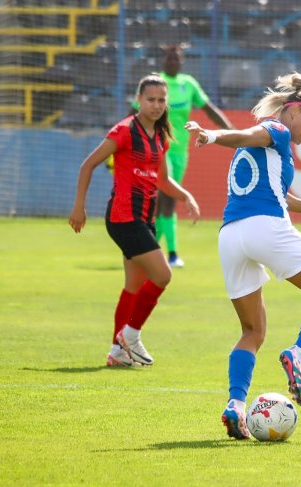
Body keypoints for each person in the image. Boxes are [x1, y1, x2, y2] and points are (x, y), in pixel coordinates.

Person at [185, 72, 301, 440]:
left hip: (231, 236)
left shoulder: (272, 146)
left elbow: (277, 192)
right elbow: (246, 135)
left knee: (252, 331)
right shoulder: (276, 130)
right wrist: (212, 136)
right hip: (264, 228)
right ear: (295, 111)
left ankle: (236, 406)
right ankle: (299, 354)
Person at [69, 74, 200, 368]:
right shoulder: (124, 131)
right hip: (123, 217)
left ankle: (117, 352)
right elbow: (88, 164)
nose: (156, 105)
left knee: (133, 286)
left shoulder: (161, 137)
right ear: (138, 100)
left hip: (143, 218)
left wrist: (186, 196)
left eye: (161, 100)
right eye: (150, 100)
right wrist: (79, 207)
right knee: (163, 275)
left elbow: (163, 180)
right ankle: (131, 335)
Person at [120, 45, 233, 268]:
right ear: (163, 60)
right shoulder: (155, 84)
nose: (173, 62)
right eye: (169, 58)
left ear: (182, 61)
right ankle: (170, 254)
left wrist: (231, 132)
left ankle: (147, 250)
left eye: (177, 59)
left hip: (181, 152)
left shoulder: (188, 84)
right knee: (166, 199)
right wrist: (120, 144)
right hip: (157, 149)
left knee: (164, 203)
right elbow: (132, 114)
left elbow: (209, 109)